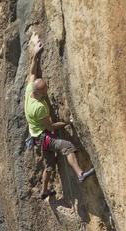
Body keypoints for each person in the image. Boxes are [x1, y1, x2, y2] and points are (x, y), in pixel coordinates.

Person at [25, 33, 94, 199]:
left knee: (49, 165)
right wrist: (66, 123)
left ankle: (44, 191)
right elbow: (49, 127)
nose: (47, 91)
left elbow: (32, 71)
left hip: (36, 135)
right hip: (44, 136)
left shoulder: (29, 91)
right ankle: (80, 174)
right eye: (45, 91)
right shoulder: (39, 108)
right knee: (67, 146)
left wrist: (36, 54)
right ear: (39, 92)